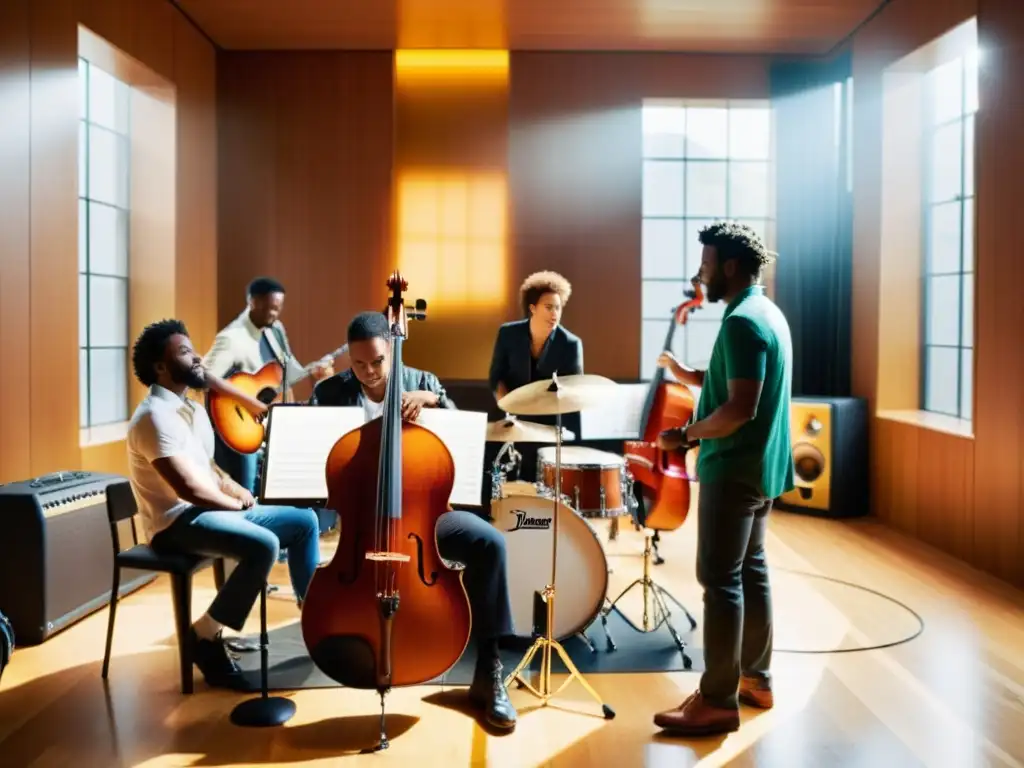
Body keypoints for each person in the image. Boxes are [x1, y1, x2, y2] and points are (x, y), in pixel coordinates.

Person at [309, 311, 518, 732]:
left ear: (392, 351)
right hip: (363, 521)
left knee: (489, 544)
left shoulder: (422, 381)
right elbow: (316, 460)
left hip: (422, 517)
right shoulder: (329, 391)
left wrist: (433, 400)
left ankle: (489, 671)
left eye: (378, 362)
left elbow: (458, 428)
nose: (369, 373)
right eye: (359, 363)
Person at [651, 221, 794, 736]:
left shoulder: (741, 323)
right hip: (762, 469)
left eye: (707, 264)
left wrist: (684, 436)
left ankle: (716, 700)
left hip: (733, 469)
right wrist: (688, 375)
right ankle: (756, 679)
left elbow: (738, 408)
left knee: (720, 579)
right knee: (750, 569)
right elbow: (731, 382)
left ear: (730, 266)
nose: (700, 273)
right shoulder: (764, 313)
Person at [126, 319, 321, 690]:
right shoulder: (153, 417)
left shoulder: (193, 410)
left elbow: (208, 469)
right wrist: (234, 508)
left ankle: (314, 618)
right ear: (161, 367)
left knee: (304, 520)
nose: (197, 355)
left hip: (208, 510)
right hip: (174, 524)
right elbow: (188, 489)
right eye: (184, 351)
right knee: (263, 544)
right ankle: (204, 635)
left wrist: (233, 488)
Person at [203, 276, 334, 494]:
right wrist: (250, 402)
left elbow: (288, 371)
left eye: (278, 308)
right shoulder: (232, 338)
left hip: (268, 426)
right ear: (253, 302)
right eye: (270, 308)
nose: (275, 314)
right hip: (239, 428)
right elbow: (204, 376)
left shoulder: (275, 329)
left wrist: (315, 371)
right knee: (244, 492)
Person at [487, 271, 584, 485]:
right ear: (532, 308)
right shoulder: (508, 334)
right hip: (510, 418)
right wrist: (507, 409)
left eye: (558, 308)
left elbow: (573, 392)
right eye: (548, 307)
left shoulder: (570, 344)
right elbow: (496, 377)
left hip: (549, 426)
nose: (555, 314)